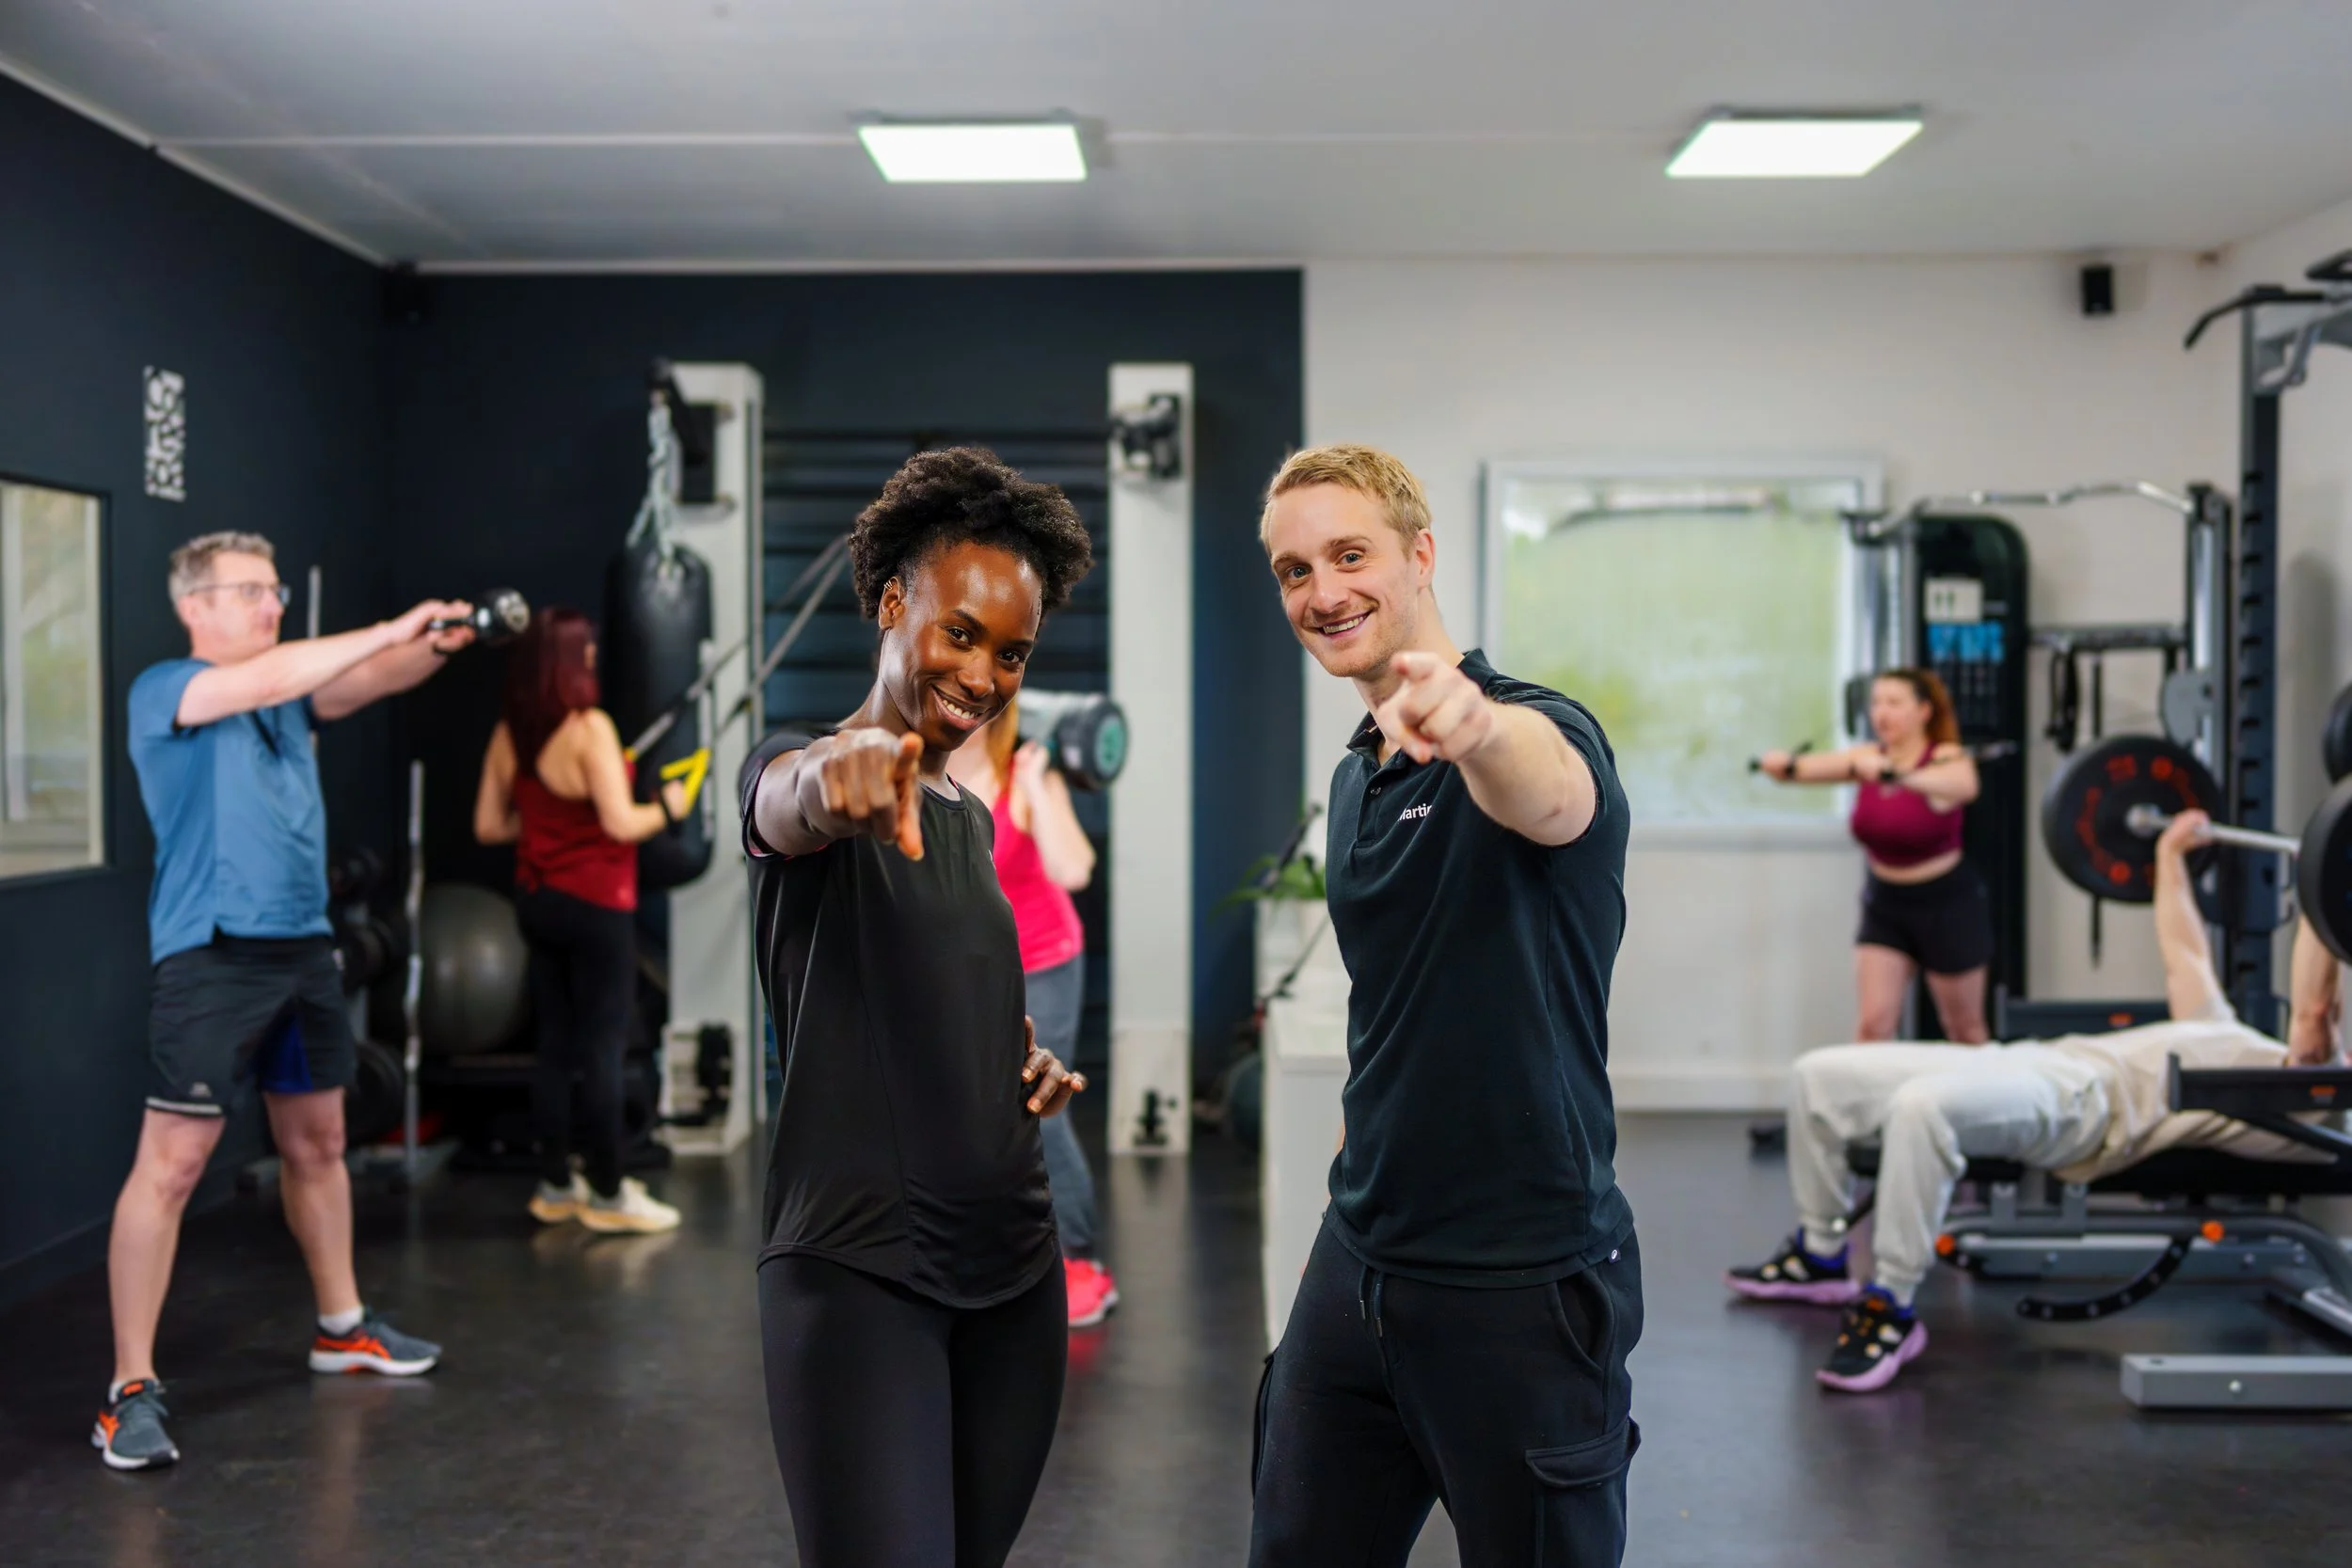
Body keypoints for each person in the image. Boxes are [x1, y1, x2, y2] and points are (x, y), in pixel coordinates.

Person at [1250, 445, 1642, 1568]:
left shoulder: (1529, 725)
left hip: (1519, 1281)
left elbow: (1553, 791)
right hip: (1360, 1260)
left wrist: (1470, 728)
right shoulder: (1355, 770)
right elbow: (1394, 1000)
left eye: (1348, 553)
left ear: (1420, 555)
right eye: (1292, 570)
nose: (1321, 591)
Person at [739, 447, 1094, 1568]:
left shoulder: (971, 824)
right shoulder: (812, 772)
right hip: (861, 1275)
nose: (983, 674)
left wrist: (1020, 1064)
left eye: (1011, 651)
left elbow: (954, 1001)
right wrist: (838, 776)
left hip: (1013, 1269)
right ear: (895, 605)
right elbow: (790, 801)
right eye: (960, 632)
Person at [1727, 808, 2344, 1393]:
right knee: (1818, 1075)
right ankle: (1822, 1254)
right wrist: (2169, 854)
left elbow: (2315, 1008)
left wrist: (2329, 864)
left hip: (2082, 1105)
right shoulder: (2227, 1032)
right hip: (2031, 1060)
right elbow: (2185, 954)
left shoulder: (2303, 1096)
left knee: (1922, 1105)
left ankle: (1890, 1303)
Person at [98, 532, 469, 1472]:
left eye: (273, 590)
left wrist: (444, 636)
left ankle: (342, 1325)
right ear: (197, 604)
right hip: (212, 956)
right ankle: (128, 1387)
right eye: (251, 592)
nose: (271, 605)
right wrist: (389, 626)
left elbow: (373, 677)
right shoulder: (168, 689)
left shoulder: (290, 693)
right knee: (173, 1166)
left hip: (303, 948)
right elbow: (277, 675)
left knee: (320, 1143)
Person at [472, 607, 691, 1235]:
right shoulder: (589, 727)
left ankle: (554, 1185)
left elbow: (488, 825)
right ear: (570, 662)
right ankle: (607, 1190)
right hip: (596, 905)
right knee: (600, 1047)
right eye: (586, 652)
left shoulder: (510, 732)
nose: (594, 660)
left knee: (555, 1045)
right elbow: (623, 824)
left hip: (538, 901)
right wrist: (669, 807)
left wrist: (549, 830)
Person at [946, 703, 1120, 1327]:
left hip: (1044, 960)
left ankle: (1081, 1263)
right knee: (972, 1112)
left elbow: (1074, 868)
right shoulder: (926, 776)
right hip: (976, 968)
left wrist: (1041, 782)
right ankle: (1003, 1248)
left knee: (1040, 1110)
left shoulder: (1026, 775)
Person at [1758, 669, 1990, 1043]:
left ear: (1924, 711)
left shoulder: (1944, 756)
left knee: (1965, 1029)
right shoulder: (1867, 757)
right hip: (1886, 904)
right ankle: (1868, 1104)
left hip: (1948, 904)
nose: (1881, 713)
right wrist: (1782, 765)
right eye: (1877, 703)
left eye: (1894, 703)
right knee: (1873, 1025)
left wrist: (1897, 774)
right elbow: (1802, 770)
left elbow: (1965, 786)